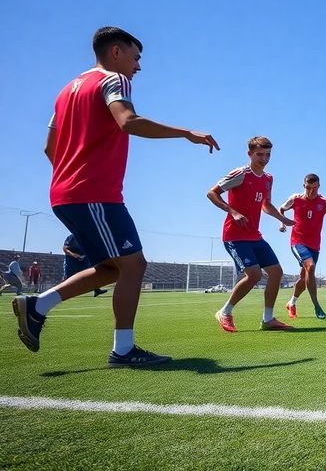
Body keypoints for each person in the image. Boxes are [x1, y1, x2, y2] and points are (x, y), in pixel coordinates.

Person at [11, 27, 218, 367]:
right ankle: (123, 350)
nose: (138, 66)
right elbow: (128, 120)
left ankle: (38, 306)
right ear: (116, 51)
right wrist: (186, 133)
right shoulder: (112, 80)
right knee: (135, 264)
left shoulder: (66, 92)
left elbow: (49, 146)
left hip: (66, 193)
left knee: (111, 269)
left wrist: (69, 174)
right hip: (92, 193)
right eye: (136, 57)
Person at [208, 136, 295, 333]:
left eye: (268, 155)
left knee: (276, 272)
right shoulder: (240, 174)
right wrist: (233, 211)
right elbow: (212, 193)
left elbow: (266, 205)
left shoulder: (268, 179)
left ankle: (268, 319)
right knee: (254, 275)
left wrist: (283, 219)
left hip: (254, 235)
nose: (264, 159)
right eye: (259, 154)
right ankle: (225, 312)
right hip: (235, 236)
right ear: (249, 154)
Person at [279, 173, 326, 319]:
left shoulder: (325, 201)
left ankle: (291, 302)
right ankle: (317, 307)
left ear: (319, 186)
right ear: (303, 186)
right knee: (310, 267)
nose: (311, 191)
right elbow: (281, 209)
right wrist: (282, 223)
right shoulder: (295, 199)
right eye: (308, 188)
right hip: (297, 242)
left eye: (314, 188)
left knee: (304, 276)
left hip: (315, 245)